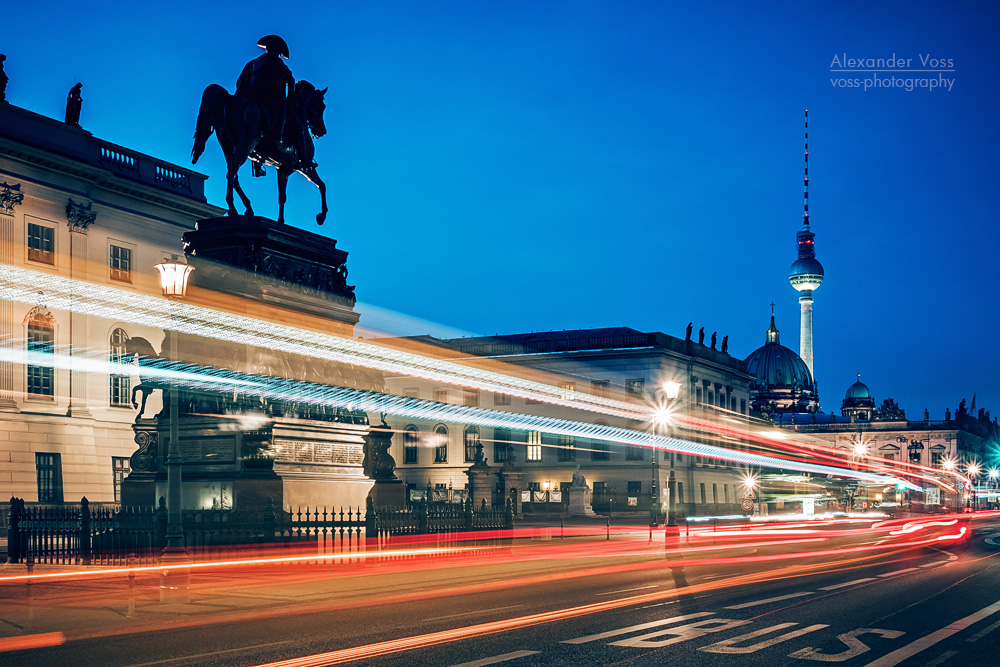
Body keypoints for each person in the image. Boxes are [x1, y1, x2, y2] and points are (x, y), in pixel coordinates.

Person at [236, 35, 294, 151]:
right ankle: (277, 136)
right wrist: (291, 97)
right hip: (265, 98)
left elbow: (240, 81)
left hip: (245, 96)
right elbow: (290, 79)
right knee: (283, 110)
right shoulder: (277, 63)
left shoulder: (253, 62)